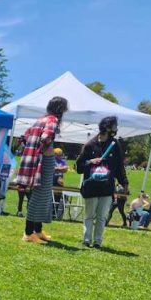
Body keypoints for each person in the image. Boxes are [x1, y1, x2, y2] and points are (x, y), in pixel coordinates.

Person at [14, 97, 69, 244]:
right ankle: (28, 233)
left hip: (33, 160)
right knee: (39, 197)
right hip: (43, 160)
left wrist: (33, 151)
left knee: (42, 196)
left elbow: (23, 137)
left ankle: (37, 231)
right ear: (60, 109)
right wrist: (46, 149)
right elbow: (46, 137)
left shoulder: (41, 119)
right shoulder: (52, 120)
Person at [75, 116, 129, 248]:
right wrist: (90, 162)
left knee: (102, 216)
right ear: (107, 127)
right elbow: (79, 166)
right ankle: (87, 240)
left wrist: (124, 183)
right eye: (114, 126)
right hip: (91, 186)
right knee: (89, 215)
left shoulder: (115, 145)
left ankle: (98, 241)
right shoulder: (89, 145)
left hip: (107, 187)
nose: (116, 129)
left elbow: (119, 166)